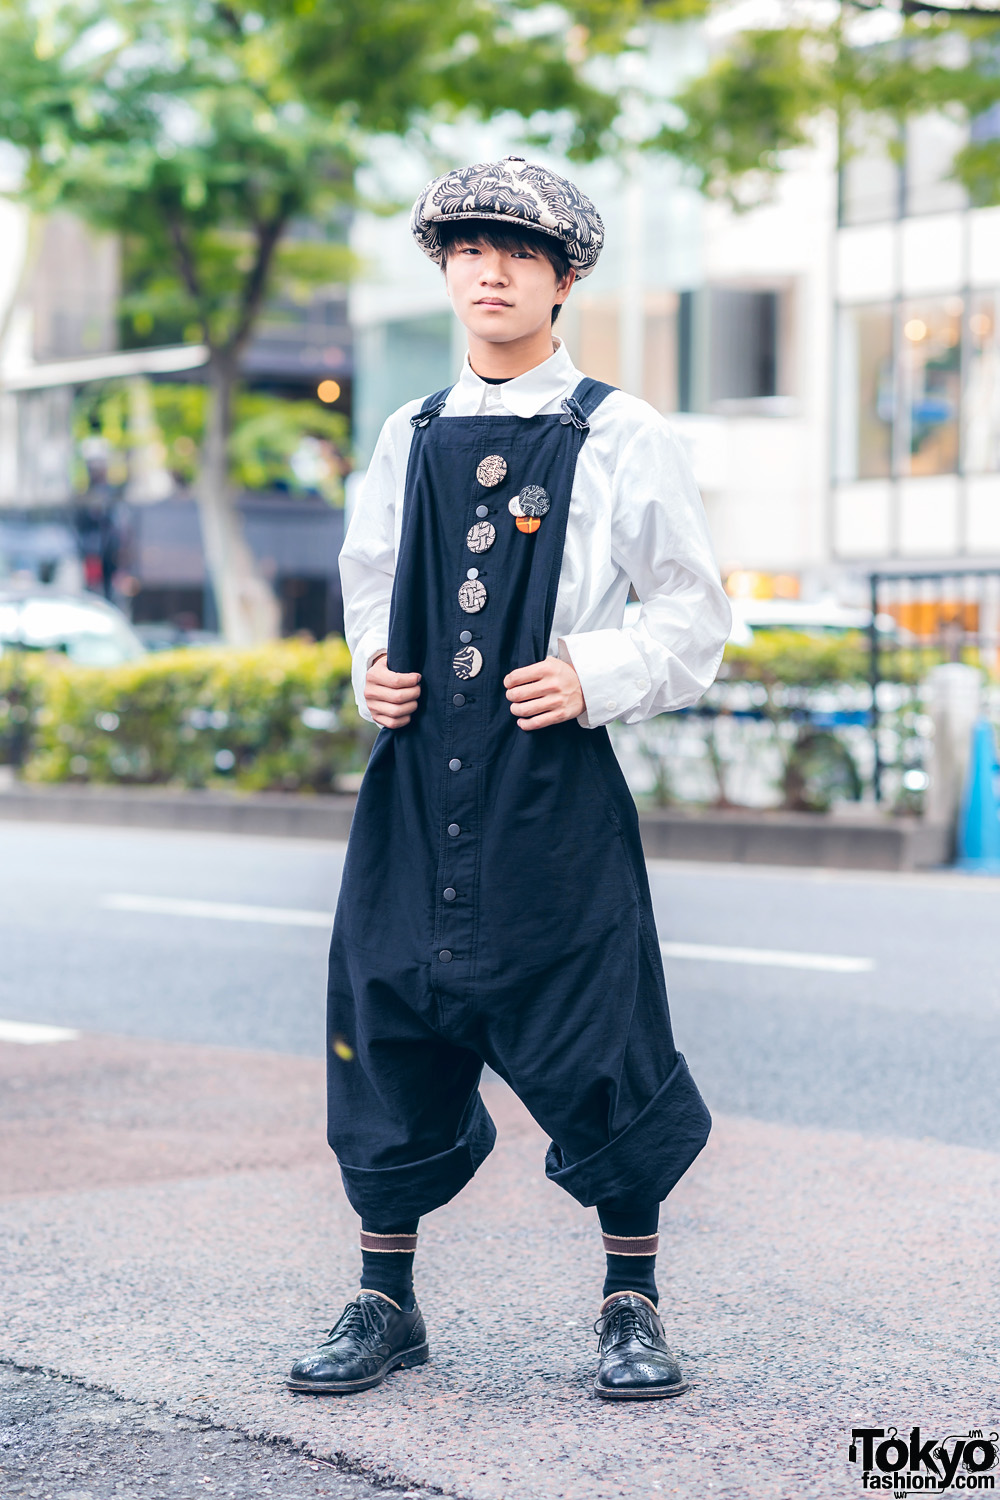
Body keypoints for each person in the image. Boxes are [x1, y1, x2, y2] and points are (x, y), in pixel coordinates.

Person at [288, 156, 731, 1402]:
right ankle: (386, 1299)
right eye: (467, 250)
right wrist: (369, 667)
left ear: (564, 276)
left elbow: (693, 618)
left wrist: (595, 669)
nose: (488, 270)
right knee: (385, 1029)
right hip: (412, 790)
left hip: (553, 791)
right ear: (444, 270)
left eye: (517, 252)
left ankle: (631, 1302)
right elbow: (369, 584)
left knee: (601, 1033)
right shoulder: (407, 429)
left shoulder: (621, 429)